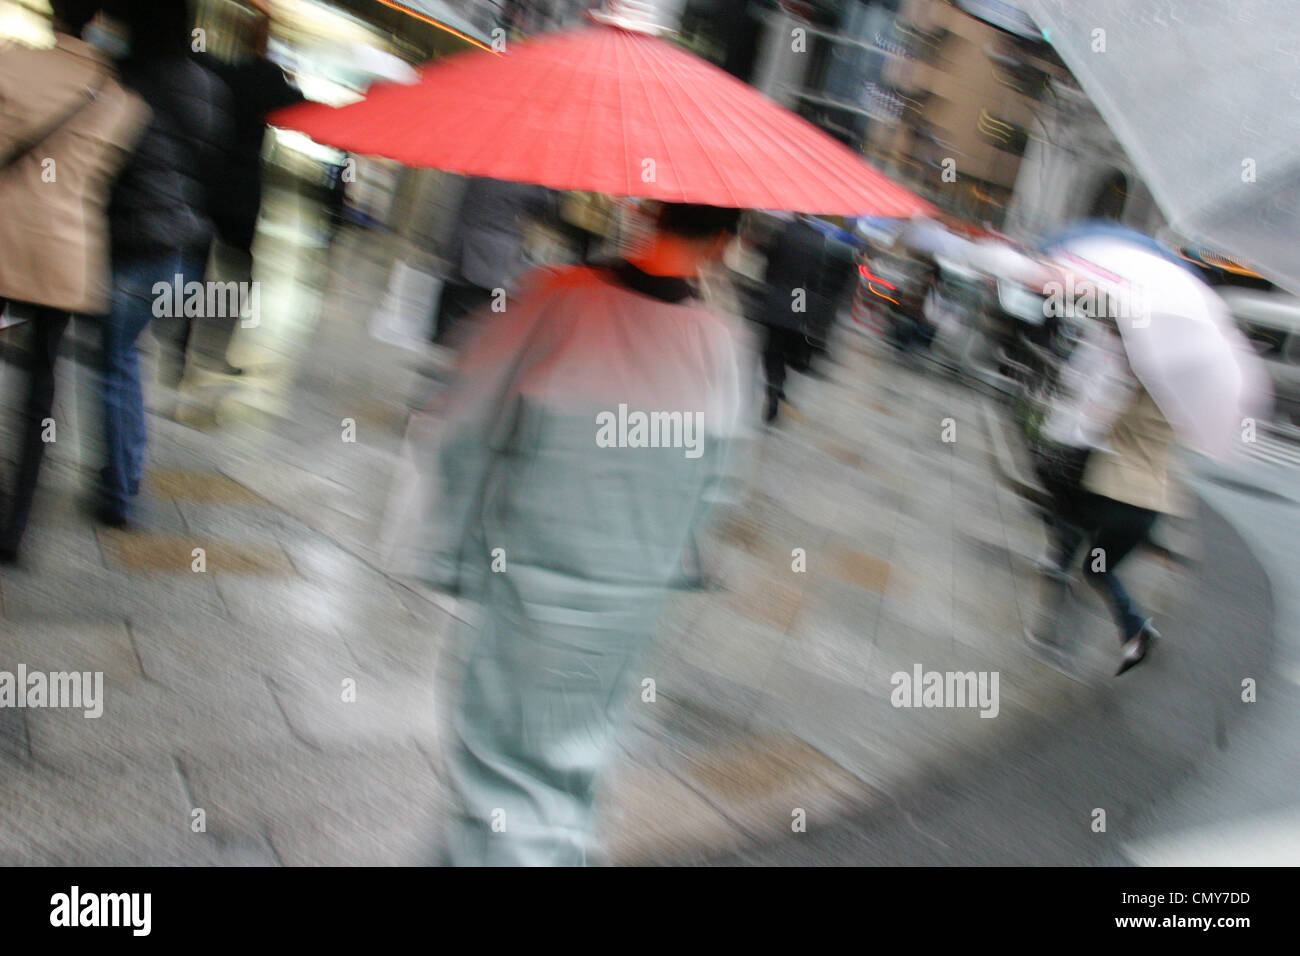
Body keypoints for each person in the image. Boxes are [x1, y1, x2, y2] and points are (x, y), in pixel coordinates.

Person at [393, 202, 745, 865]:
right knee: (576, 758)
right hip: (632, 599)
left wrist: (450, 551)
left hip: (530, 578)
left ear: (645, 209)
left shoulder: (556, 296)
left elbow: (468, 423)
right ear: (725, 242)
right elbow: (714, 488)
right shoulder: (720, 342)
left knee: (501, 761)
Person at [0, 0, 147, 562]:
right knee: (40, 389)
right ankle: (16, 530)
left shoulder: (12, 63)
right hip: (60, 257)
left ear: (52, 14)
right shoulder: (119, 99)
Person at [97, 0, 231, 525]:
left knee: (116, 365)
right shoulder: (207, 86)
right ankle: (125, 479)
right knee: (128, 359)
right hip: (178, 247)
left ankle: (120, 492)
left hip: (131, 239)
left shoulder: (127, 77)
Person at [1027, 315, 1172, 675]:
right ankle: (1134, 628)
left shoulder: (1125, 386)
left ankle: (1051, 634)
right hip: (1150, 506)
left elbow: (1086, 421)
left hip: (1100, 491)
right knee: (1098, 568)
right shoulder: (1176, 406)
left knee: (1067, 548)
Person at [180, 4, 302, 377]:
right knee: (239, 274)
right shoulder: (271, 80)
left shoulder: (222, 72)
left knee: (194, 269)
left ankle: (178, 348)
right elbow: (305, 111)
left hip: (206, 183)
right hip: (242, 194)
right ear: (267, 41)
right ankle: (216, 351)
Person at [432, 176, 551, 345]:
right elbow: (543, 210)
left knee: (456, 303)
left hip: (468, 252)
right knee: (496, 310)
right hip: (501, 261)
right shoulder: (529, 185)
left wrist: (448, 250)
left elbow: (459, 210)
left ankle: (445, 345)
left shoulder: (479, 175)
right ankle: (486, 345)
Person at [755, 213, 837, 423]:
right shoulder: (820, 240)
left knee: (771, 348)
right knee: (784, 347)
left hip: (774, 297)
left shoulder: (783, 230)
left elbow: (769, 261)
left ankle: (773, 387)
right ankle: (778, 387)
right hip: (797, 300)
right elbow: (816, 281)